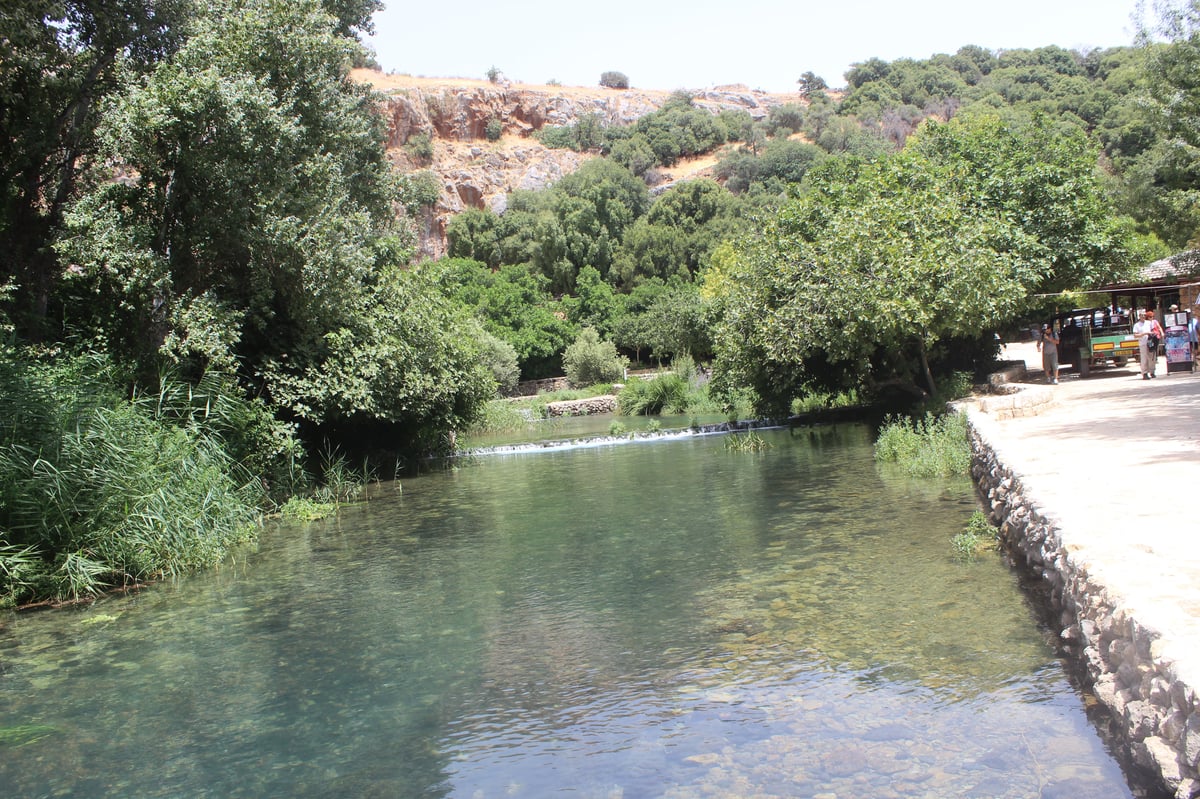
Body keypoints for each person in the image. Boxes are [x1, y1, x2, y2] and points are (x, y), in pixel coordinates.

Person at [1133, 308, 1164, 379]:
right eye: (1142, 315)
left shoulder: (1149, 323)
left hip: (1150, 343)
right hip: (1143, 343)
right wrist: (1144, 333)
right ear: (1139, 316)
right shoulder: (1137, 325)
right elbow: (1135, 335)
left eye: (1144, 315)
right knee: (1144, 359)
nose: (1143, 316)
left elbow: (1154, 330)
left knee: (1152, 358)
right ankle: (1144, 373)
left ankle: (1152, 372)